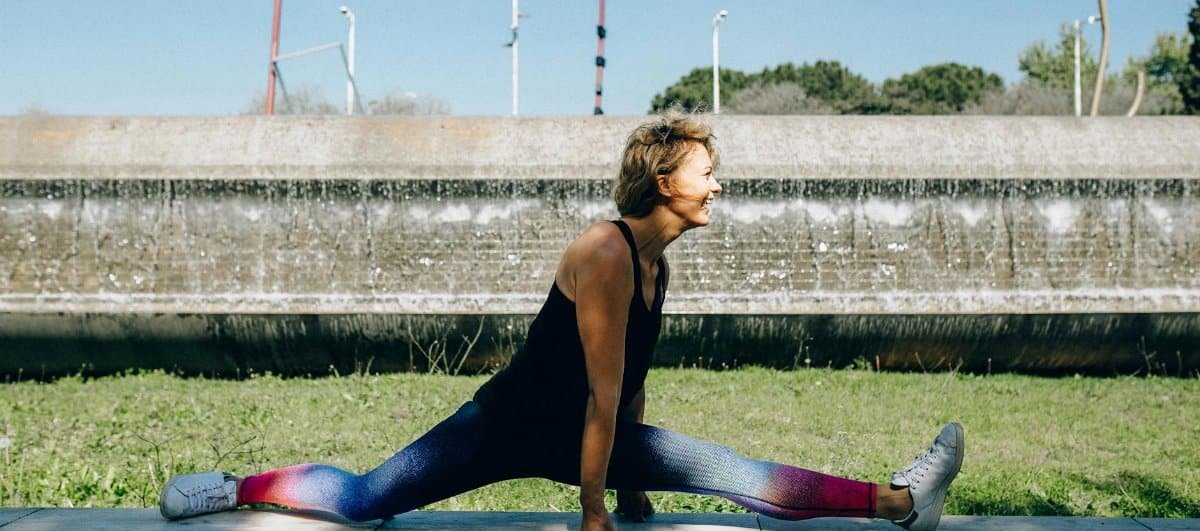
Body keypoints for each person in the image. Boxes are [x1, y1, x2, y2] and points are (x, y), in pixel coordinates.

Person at [159, 112, 964, 530]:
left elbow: (630, 384)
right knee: (370, 500)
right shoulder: (607, 254)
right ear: (664, 179)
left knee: (732, 470)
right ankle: (234, 487)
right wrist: (592, 510)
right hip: (502, 426)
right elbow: (600, 399)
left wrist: (636, 486)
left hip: (588, 437)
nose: (717, 186)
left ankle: (897, 500)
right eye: (707, 173)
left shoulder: (659, 262)